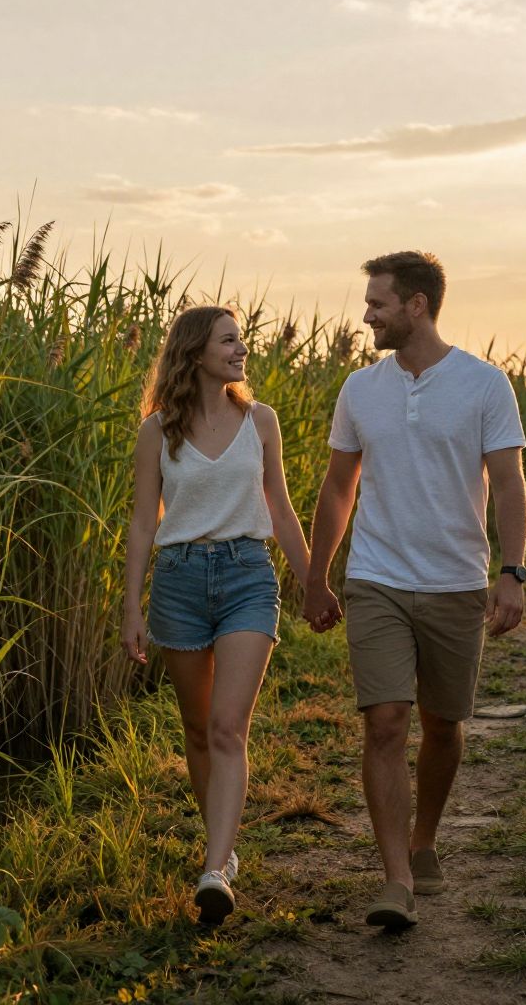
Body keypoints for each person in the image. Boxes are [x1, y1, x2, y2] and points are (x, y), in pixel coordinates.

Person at [302, 251, 526, 930]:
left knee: (443, 725)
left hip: (456, 581)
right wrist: (318, 575)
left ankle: (424, 837)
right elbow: (339, 486)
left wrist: (512, 572)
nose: (366, 315)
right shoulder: (359, 389)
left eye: (377, 303)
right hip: (377, 578)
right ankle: (395, 877)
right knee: (386, 722)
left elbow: (510, 484)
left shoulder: (485, 385)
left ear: (417, 305)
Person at [122, 304, 312, 925]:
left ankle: (215, 866)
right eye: (229, 341)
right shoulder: (158, 431)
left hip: (245, 578)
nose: (241, 350)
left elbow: (280, 510)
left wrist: (313, 582)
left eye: (241, 341)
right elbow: (142, 523)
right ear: (195, 351)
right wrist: (132, 607)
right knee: (199, 729)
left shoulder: (262, 421)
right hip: (177, 583)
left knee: (229, 726)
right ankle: (221, 854)